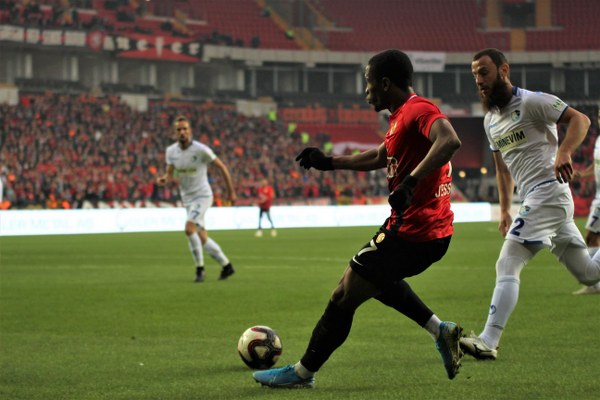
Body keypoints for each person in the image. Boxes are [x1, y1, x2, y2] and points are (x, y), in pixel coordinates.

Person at [252, 49, 463, 389]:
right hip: (420, 230)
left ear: (384, 82)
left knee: (343, 294)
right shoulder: (398, 118)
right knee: (376, 281)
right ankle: (441, 330)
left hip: (415, 232)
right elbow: (381, 156)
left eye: (368, 83)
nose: (366, 91)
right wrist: (329, 162)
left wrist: (410, 183)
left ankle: (302, 373)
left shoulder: (418, 109)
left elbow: (450, 140)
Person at [460, 48, 600, 360]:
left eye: (484, 72)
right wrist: (506, 209)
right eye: (474, 75)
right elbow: (502, 169)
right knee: (589, 274)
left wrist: (564, 152)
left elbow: (581, 120)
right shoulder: (490, 121)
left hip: (548, 192)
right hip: (539, 199)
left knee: (508, 261)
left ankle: (488, 340)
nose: (479, 80)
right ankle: (488, 340)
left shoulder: (533, 101)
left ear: (503, 70)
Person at [156, 115, 236, 283]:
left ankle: (200, 270)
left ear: (190, 131)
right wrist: (165, 178)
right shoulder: (171, 152)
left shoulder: (201, 150)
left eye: (185, 129)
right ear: (175, 132)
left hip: (203, 196)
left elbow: (222, 167)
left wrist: (231, 192)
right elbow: (170, 174)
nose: (182, 132)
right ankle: (226, 266)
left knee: (189, 228)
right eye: (179, 129)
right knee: (202, 237)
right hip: (187, 199)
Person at [572, 111, 600, 295]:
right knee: (592, 238)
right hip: (598, 197)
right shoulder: (598, 140)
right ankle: (594, 284)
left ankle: (594, 284)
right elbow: (596, 165)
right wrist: (584, 173)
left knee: (590, 236)